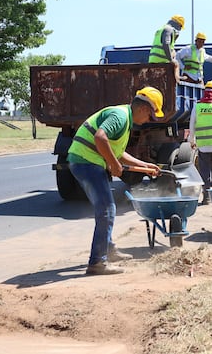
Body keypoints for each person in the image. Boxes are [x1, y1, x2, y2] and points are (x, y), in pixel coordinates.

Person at [67, 86, 165, 275]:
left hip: (89, 162)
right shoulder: (120, 116)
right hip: (86, 162)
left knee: (105, 208)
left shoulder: (125, 119)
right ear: (144, 109)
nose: (148, 121)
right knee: (106, 209)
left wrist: (146, 166)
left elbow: (119, 153)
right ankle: (97, 262)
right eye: (151, 117)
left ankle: (108, 249)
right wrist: (113, 164)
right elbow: (100, 137)